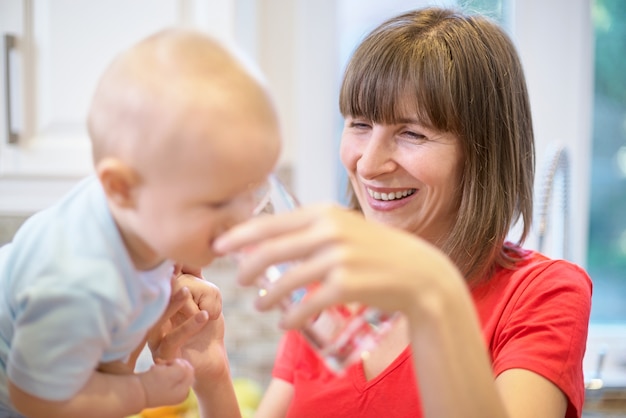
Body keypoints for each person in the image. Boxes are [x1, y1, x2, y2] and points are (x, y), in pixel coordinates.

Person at [202, 6, 592, 418]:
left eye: (411, 133)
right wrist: (211, 375)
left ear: (482, 154)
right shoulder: (329, 287)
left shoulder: (543, 295)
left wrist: (430, 287)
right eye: (360, 124)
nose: (368, 164)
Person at [0, 27, 281, 418]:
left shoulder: (144, 218)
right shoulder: (76, 281)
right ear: (121, 189)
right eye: (217, 202)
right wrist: (142, 391)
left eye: (250, 189)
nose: (241, 221)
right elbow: (37, 399)